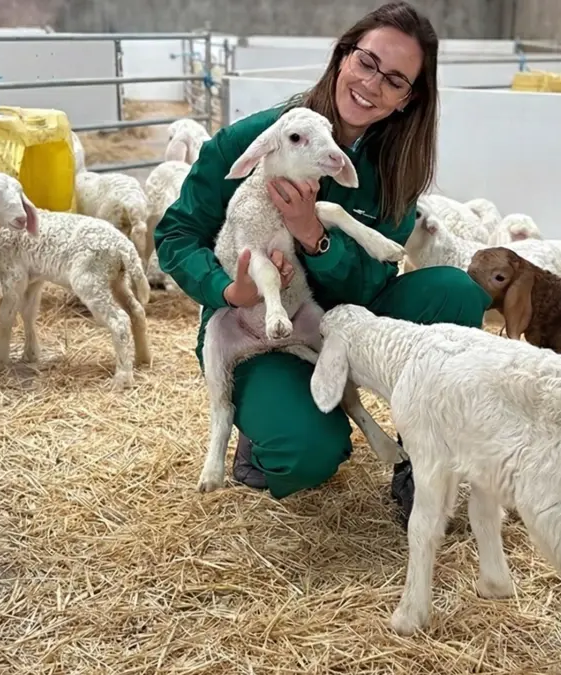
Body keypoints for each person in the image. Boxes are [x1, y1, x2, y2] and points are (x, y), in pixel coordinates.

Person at [154, 1, 491, 527]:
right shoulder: (260, 136)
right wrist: (226, 289)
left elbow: (375, 275)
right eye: (368, 62)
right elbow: (176, 234)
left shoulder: (395, 169)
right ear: (342, 57)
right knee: (304, 454)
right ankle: (265, 424)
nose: (373, 84)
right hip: (258, 322)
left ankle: (420, 463)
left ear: (408, 99)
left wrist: (314, 236)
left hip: (346, 311)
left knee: (457, 293)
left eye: (396, 80)